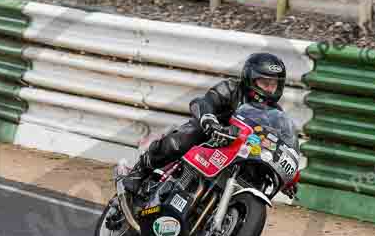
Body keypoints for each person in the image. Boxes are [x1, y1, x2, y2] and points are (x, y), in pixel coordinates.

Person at [123, 52, 296, 195]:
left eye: (274, 84)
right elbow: (204, 102)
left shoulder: (275, 114)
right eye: (265, 83)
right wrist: (209, 120)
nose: (269, 89)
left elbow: (280, 141)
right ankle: (141, 169)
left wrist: (288, 176)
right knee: (187, 136)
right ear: (250, 78)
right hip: (212, 135)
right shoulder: (231, 88)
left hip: (240, 151)